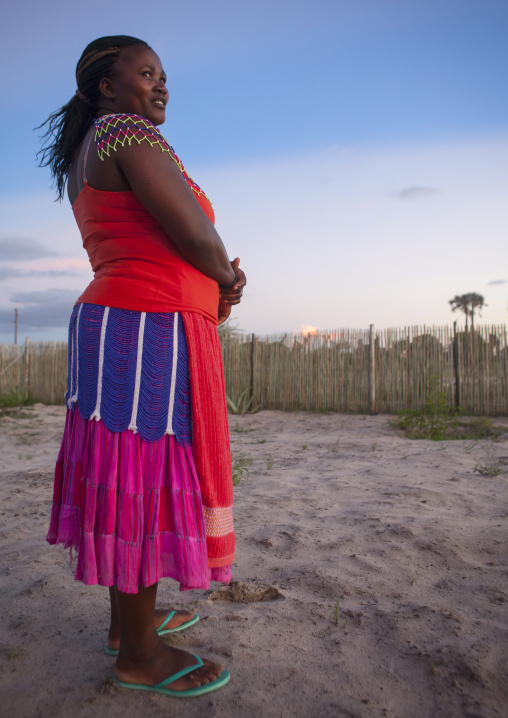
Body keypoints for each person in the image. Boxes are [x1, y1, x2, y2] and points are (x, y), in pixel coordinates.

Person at [38, 35, 246, 698]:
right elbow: (192, 232)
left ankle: (130, 627)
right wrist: (227, 280)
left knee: (130, 473)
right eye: (147, 72)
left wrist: (212, 289)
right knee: (145, 477)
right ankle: (138, 658)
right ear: (107, 85)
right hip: (147, 322)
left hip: (126, 318)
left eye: (164, 76)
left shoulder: (90, 144)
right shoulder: (126, 131)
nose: (161, 86)